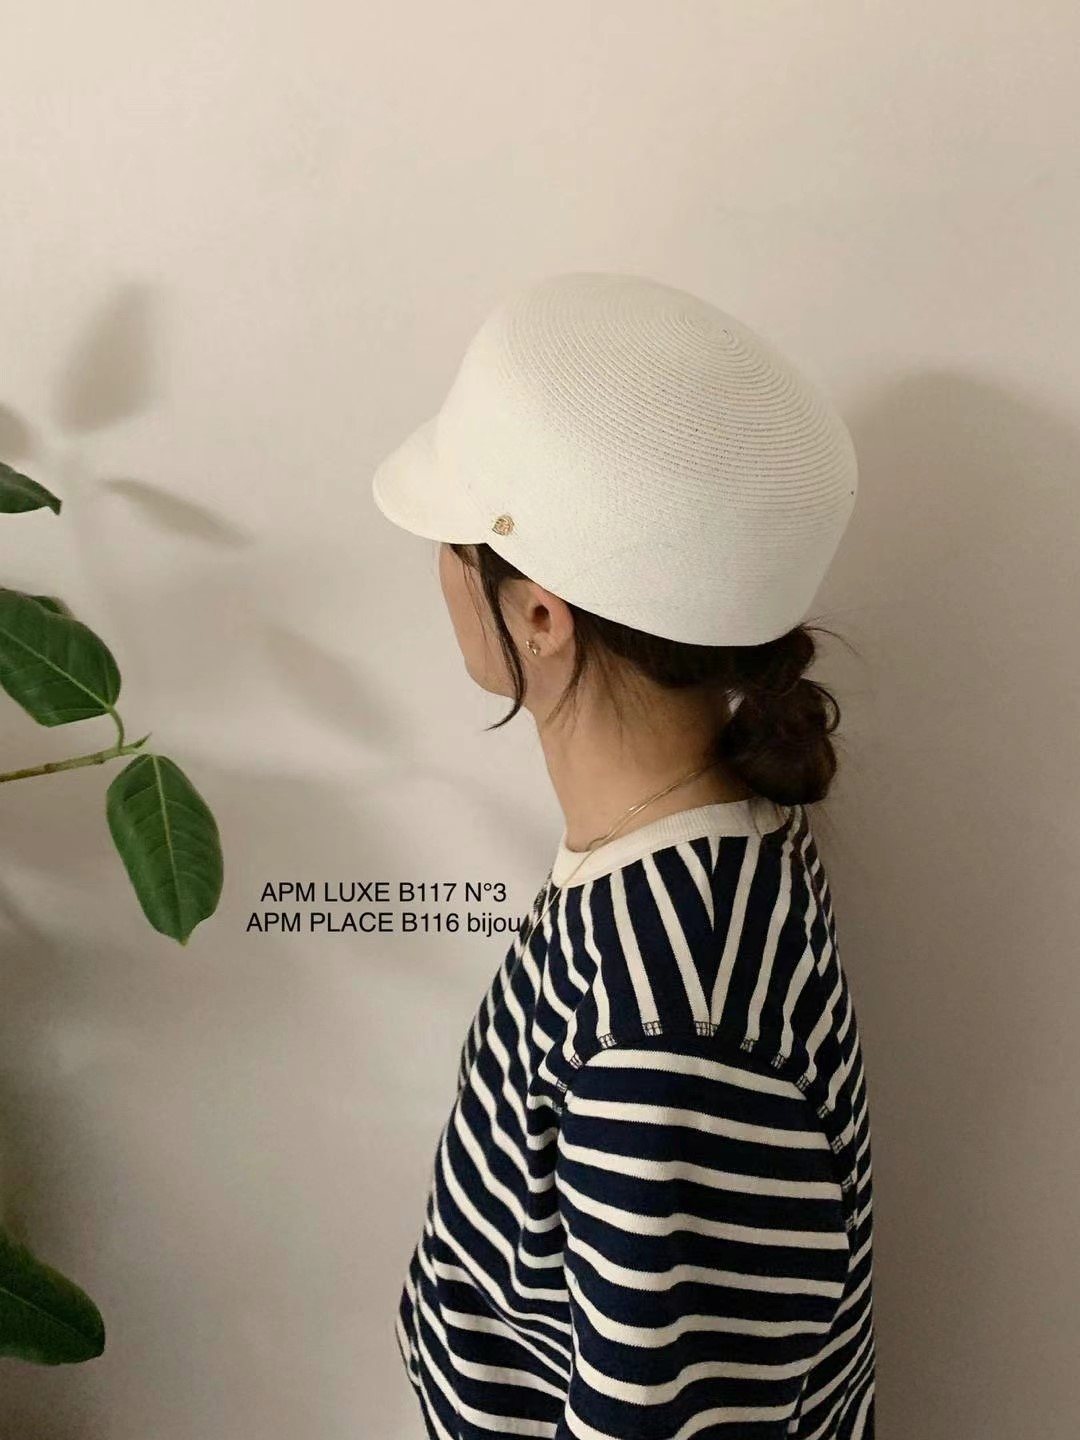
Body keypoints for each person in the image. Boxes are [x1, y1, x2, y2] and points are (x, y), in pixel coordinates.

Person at [372, 272, 875, 1439]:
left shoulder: (670, 1037)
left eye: (453, 543)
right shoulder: (705, 827)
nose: (438, 568)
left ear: (541, 616)